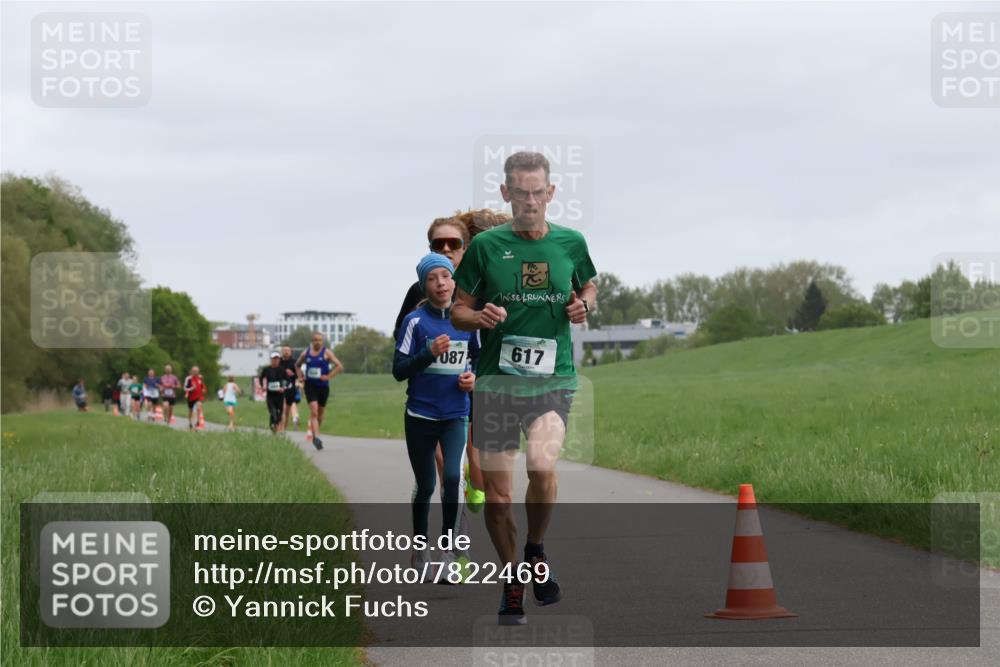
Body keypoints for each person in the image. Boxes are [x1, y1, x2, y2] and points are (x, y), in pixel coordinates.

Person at [452, 151, 597, 625]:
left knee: (540, 465)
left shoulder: (571, 242)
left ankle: (535, 548)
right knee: (496, 499)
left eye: (538, 193)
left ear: (550, 193)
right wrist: (478, 315)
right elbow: (458, 309)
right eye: (521, 193)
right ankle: (513, 577)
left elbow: (589, 287)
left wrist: (584, 305)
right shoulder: (486, 247)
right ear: (506, 193)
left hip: (552, 382)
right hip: (496, 386)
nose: (530, 201)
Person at [394, 253, 477, 576]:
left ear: (454, 282)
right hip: (420, 416)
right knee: (427, 484)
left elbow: (479, 360)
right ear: (424, 285)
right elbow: (399, 370)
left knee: (454, 477)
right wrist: (428, 353)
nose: (440, 283)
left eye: (445, 276)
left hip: (455, 414)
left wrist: (473, 378)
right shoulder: (414, 322)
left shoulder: (467, 321)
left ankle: (448, 552)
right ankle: (420, 548)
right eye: (432, 278)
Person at [296, 332, 343, 451]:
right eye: (316, 340)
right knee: (314, 412)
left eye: (320, 340)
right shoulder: (306, 353)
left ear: (322, 342)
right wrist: (300, 376)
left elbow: (339, 366)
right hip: (310, 386)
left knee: (320, 415)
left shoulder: (327, 353)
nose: (318, 342)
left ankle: (315, 433)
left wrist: (328, 376)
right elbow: (297, 365)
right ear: (312, 341)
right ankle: (317, 438)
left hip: (323, 387)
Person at [260, 353, 290, 432]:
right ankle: (274, 425)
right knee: (273, 412)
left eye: (277, 359)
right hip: (270, 395)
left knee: (280, 413)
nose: (276, 360)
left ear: (279, 360)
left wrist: (283, 387)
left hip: (280, 395)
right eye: (274, 359)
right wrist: (263, 386)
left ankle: (274, 425)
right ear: (271, 360)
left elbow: (288, 380)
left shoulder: (282, 370)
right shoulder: (266, 369)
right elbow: (261, 378)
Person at [279, 345, 299, 431]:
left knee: (286, 412)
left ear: (291, 352)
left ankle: (284, 429)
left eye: (288, 350)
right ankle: (280, 429)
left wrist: (293, 374)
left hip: (291, 389)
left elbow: (300, 376)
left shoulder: (295, 362)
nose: (286, 352)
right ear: (282, 352)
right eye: (284, 350)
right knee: (282, 410)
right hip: (280, 389)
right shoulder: (278, 362)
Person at [184, 366, 207, 430]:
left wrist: (204, 390)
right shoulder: (188, 378)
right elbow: (185, 388)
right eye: (194, 371)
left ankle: (197, 421)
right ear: (192, 371)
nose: (195, 372)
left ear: (198, 371)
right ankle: (190, 423)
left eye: (196, 371)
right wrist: (191, 388)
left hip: (199, 397)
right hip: (191, 397)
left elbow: (203, 386)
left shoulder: (200, 378)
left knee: (198, 407)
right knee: (190, 410)